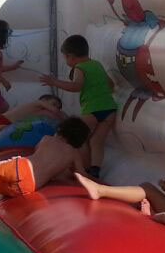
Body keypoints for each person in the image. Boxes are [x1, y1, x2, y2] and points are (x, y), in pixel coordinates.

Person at [0, 117, 91, 196]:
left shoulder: (48, 139)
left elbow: (37, 152)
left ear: (60, 130)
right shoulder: (73, 153)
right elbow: (81, 175)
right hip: (29, 186)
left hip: (22, 167)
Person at [41, 34, 117, 178]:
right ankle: (95, 171)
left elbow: (76, 86)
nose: (66, 61)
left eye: (65, 58)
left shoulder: (79, 68)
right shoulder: (97, 64)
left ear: (70, 56)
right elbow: (111, 85)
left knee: (79, 139)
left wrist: (55, 82)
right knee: (97, 141)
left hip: (92, 110)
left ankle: (83, 169)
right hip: (109, 109)